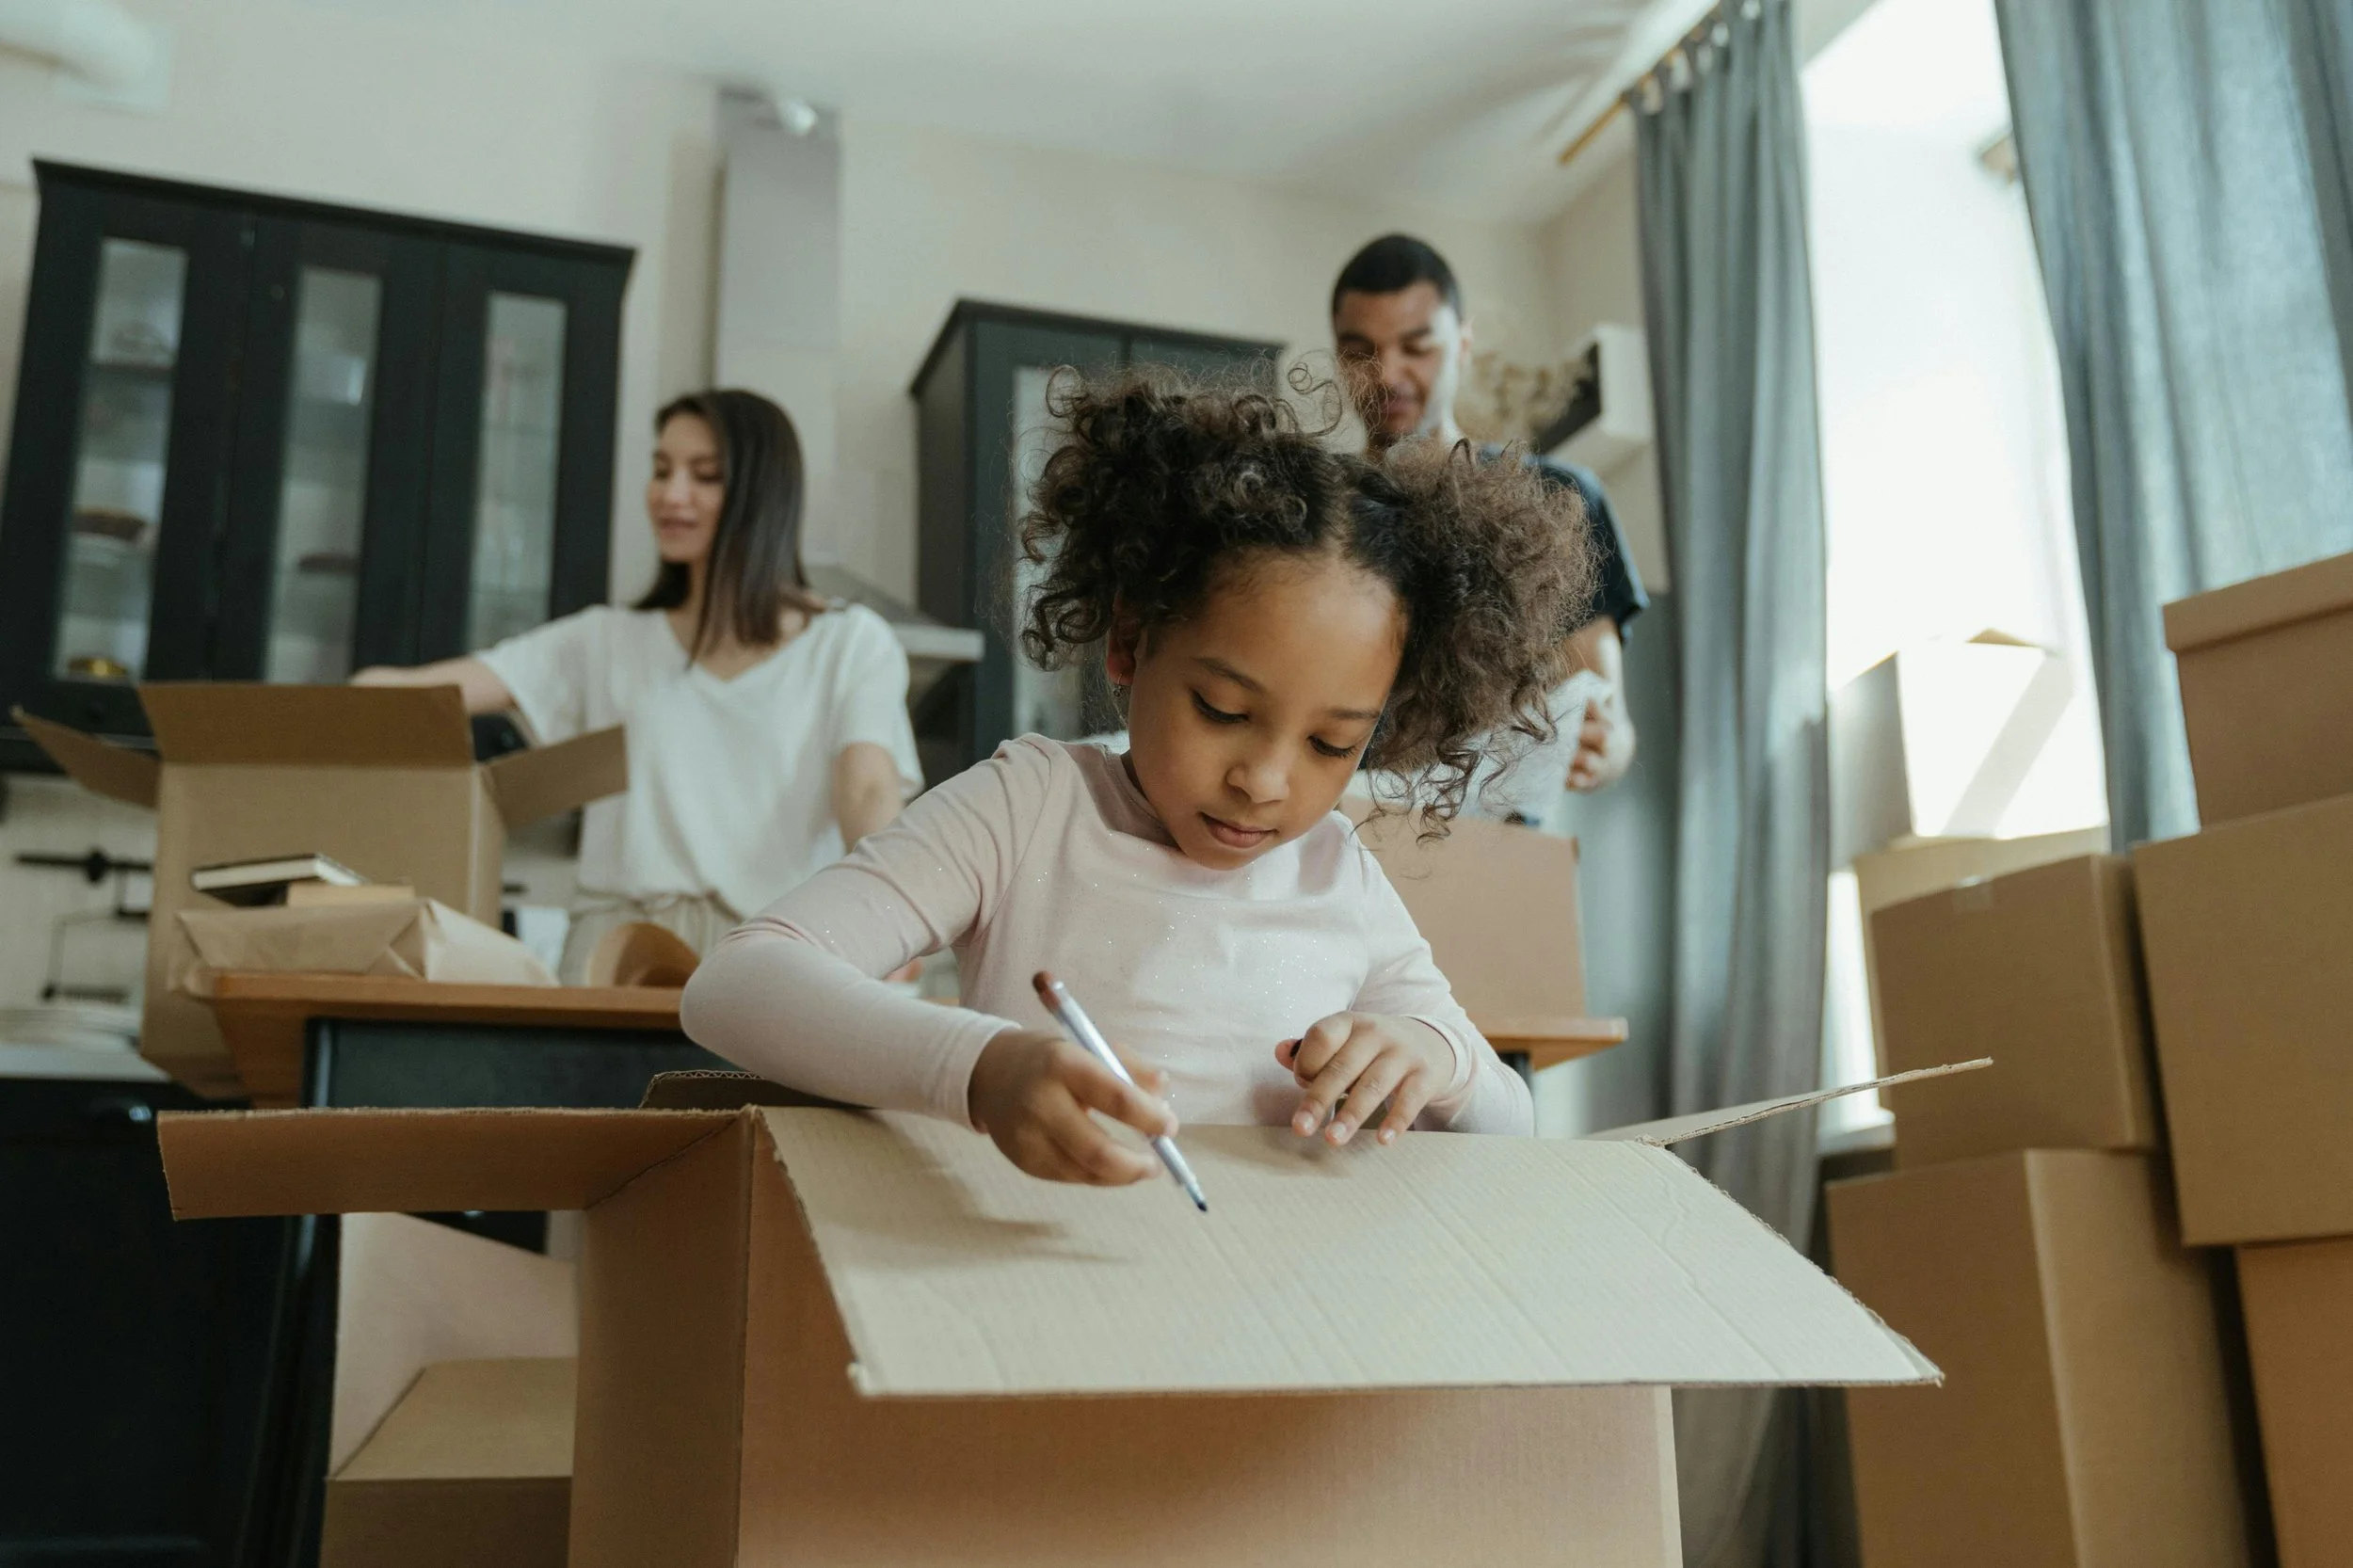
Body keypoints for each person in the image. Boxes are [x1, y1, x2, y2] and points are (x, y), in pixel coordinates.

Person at [681, 369, 1593, 1186]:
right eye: (1224, 712)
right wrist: (980, 1070)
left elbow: (1511, 1120)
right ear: (1128, 642)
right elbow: (736, 985)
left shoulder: (1338, 872)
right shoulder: (1028, 809)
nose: (1265, 780)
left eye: (1330, 744)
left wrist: (1435, 1055)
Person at [356, 389, 921, 981]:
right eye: (660, 470)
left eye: (704, 475)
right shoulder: (606, 641)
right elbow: (423, 694)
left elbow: (866, 792)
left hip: (776, 950)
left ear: (764, 493)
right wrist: (335, 706)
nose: (670, 495)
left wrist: (898, 919)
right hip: (616, 952)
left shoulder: (850, 642)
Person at [1331, 234, 1650, 815]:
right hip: (1337, 832)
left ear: (1463, 344)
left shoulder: (1558, 497)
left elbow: (1608, 719)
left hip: (1495, 842)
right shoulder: (1322, 511)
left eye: (1417, 346)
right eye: (1361, 351)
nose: (1388, 373)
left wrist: (1608, 746)